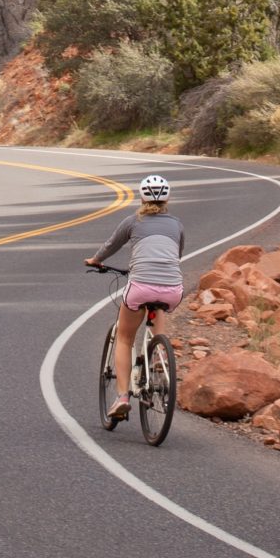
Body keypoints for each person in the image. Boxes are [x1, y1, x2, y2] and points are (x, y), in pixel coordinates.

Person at [86, 174, 185, 423]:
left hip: (140, 287)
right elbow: (177, 254)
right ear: (167, 198)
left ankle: (122, 397)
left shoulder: (132, 221)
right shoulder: (176, 225)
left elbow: (111, 245)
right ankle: (159, 360)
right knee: (157, 312)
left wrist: (96, 261)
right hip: (173, 289)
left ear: (141, 197)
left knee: (124, 337)